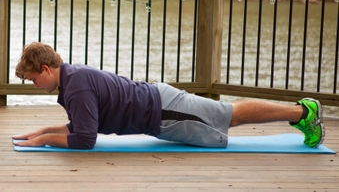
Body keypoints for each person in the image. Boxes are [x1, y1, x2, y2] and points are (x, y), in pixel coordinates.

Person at [13, 42, 325, 149]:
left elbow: (85, 140)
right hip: (160, 108)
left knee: (229, 115)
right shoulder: (73, 79)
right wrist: (42, 131)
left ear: (46, 68)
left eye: (32, 79)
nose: (33, 84)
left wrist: (42, 141)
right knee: (228, 114)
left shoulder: (77, 86)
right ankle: (300, 113)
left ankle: (302, 113)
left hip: (164, 111)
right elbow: (84, 126)